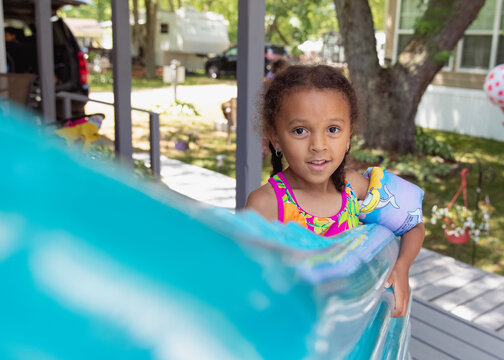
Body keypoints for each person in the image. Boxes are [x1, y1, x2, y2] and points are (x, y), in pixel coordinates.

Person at [245, 64, 425, 318]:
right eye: (300, 131)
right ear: (275, 138)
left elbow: (413, 225)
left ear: (349, 134)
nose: (318, 146)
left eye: (332, 130)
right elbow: (251, 284)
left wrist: (402, 267)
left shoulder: (357, 189)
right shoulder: (267, 204)